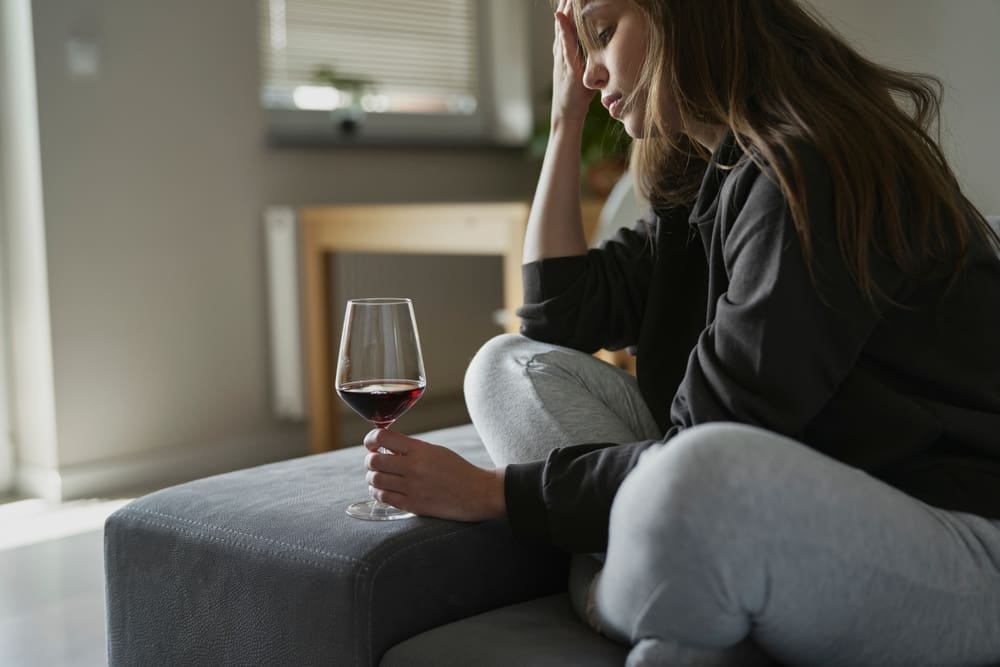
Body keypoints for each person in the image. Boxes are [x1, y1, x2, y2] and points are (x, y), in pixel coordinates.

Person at [362, 0, 1000, 664]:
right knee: (507, 366)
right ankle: (680, 586)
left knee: (697, 471)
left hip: (956, 543)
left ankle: (623, 586)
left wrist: (496, 492)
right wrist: (564, 122)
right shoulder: (712, 173)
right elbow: (557, 315)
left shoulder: (811, 163)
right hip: (773, 511)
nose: (590, 73)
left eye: (604, 35)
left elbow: (711, 441)